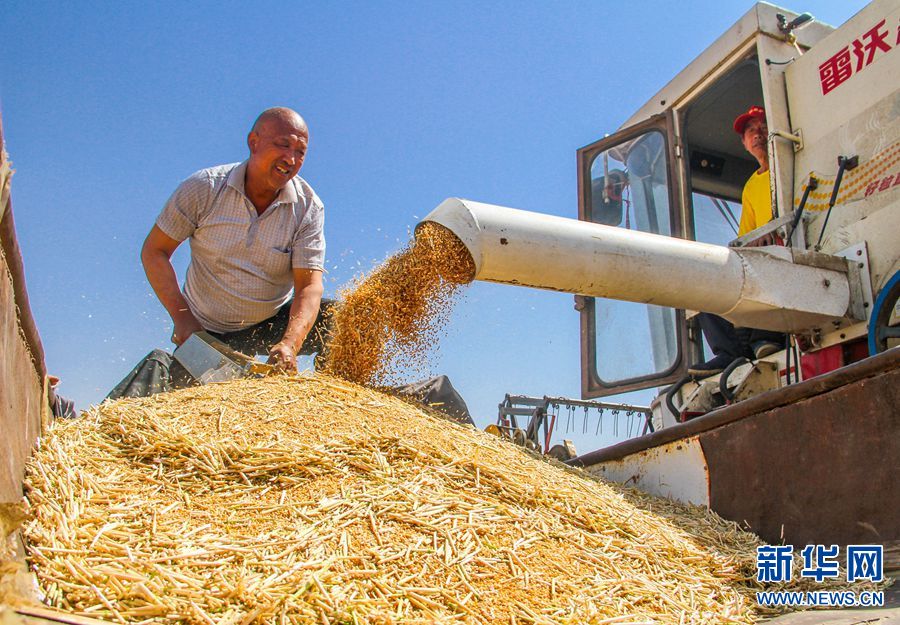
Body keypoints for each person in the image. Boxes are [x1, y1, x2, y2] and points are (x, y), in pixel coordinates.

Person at [108, 107, 328, 399]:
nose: (291, 159)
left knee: (339, 317)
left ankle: (329, 407)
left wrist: (290, 343)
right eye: (283, 145)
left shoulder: (308, 208)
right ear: (254, 142)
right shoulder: (205, 188)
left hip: (268, 324)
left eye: (300, 152)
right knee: (174, 395)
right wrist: (184, 320)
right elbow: (155, 251)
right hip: (205, 330)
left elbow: (309, 285)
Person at [689, 106, 785, 377]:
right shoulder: (751, 187)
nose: (758, 134)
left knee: (767, 264)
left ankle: (766, 339)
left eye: (763, 126)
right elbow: (747, 236)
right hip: (763, 255)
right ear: (744, 143)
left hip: (786, 253)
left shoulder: (791, 166)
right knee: (704, 278)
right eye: (750, 131)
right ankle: (730, 353)